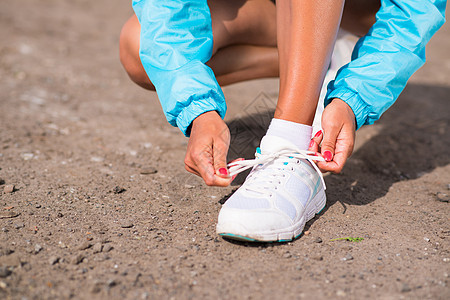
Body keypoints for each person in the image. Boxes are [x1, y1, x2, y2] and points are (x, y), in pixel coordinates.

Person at [120, 0, 446, 242]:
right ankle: (329, 57)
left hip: (365, 11)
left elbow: (412, 12)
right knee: (137, 46)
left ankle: (290, 141)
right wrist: (197, 110)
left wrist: (354, 96)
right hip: (282, 10)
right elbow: (166, 11)